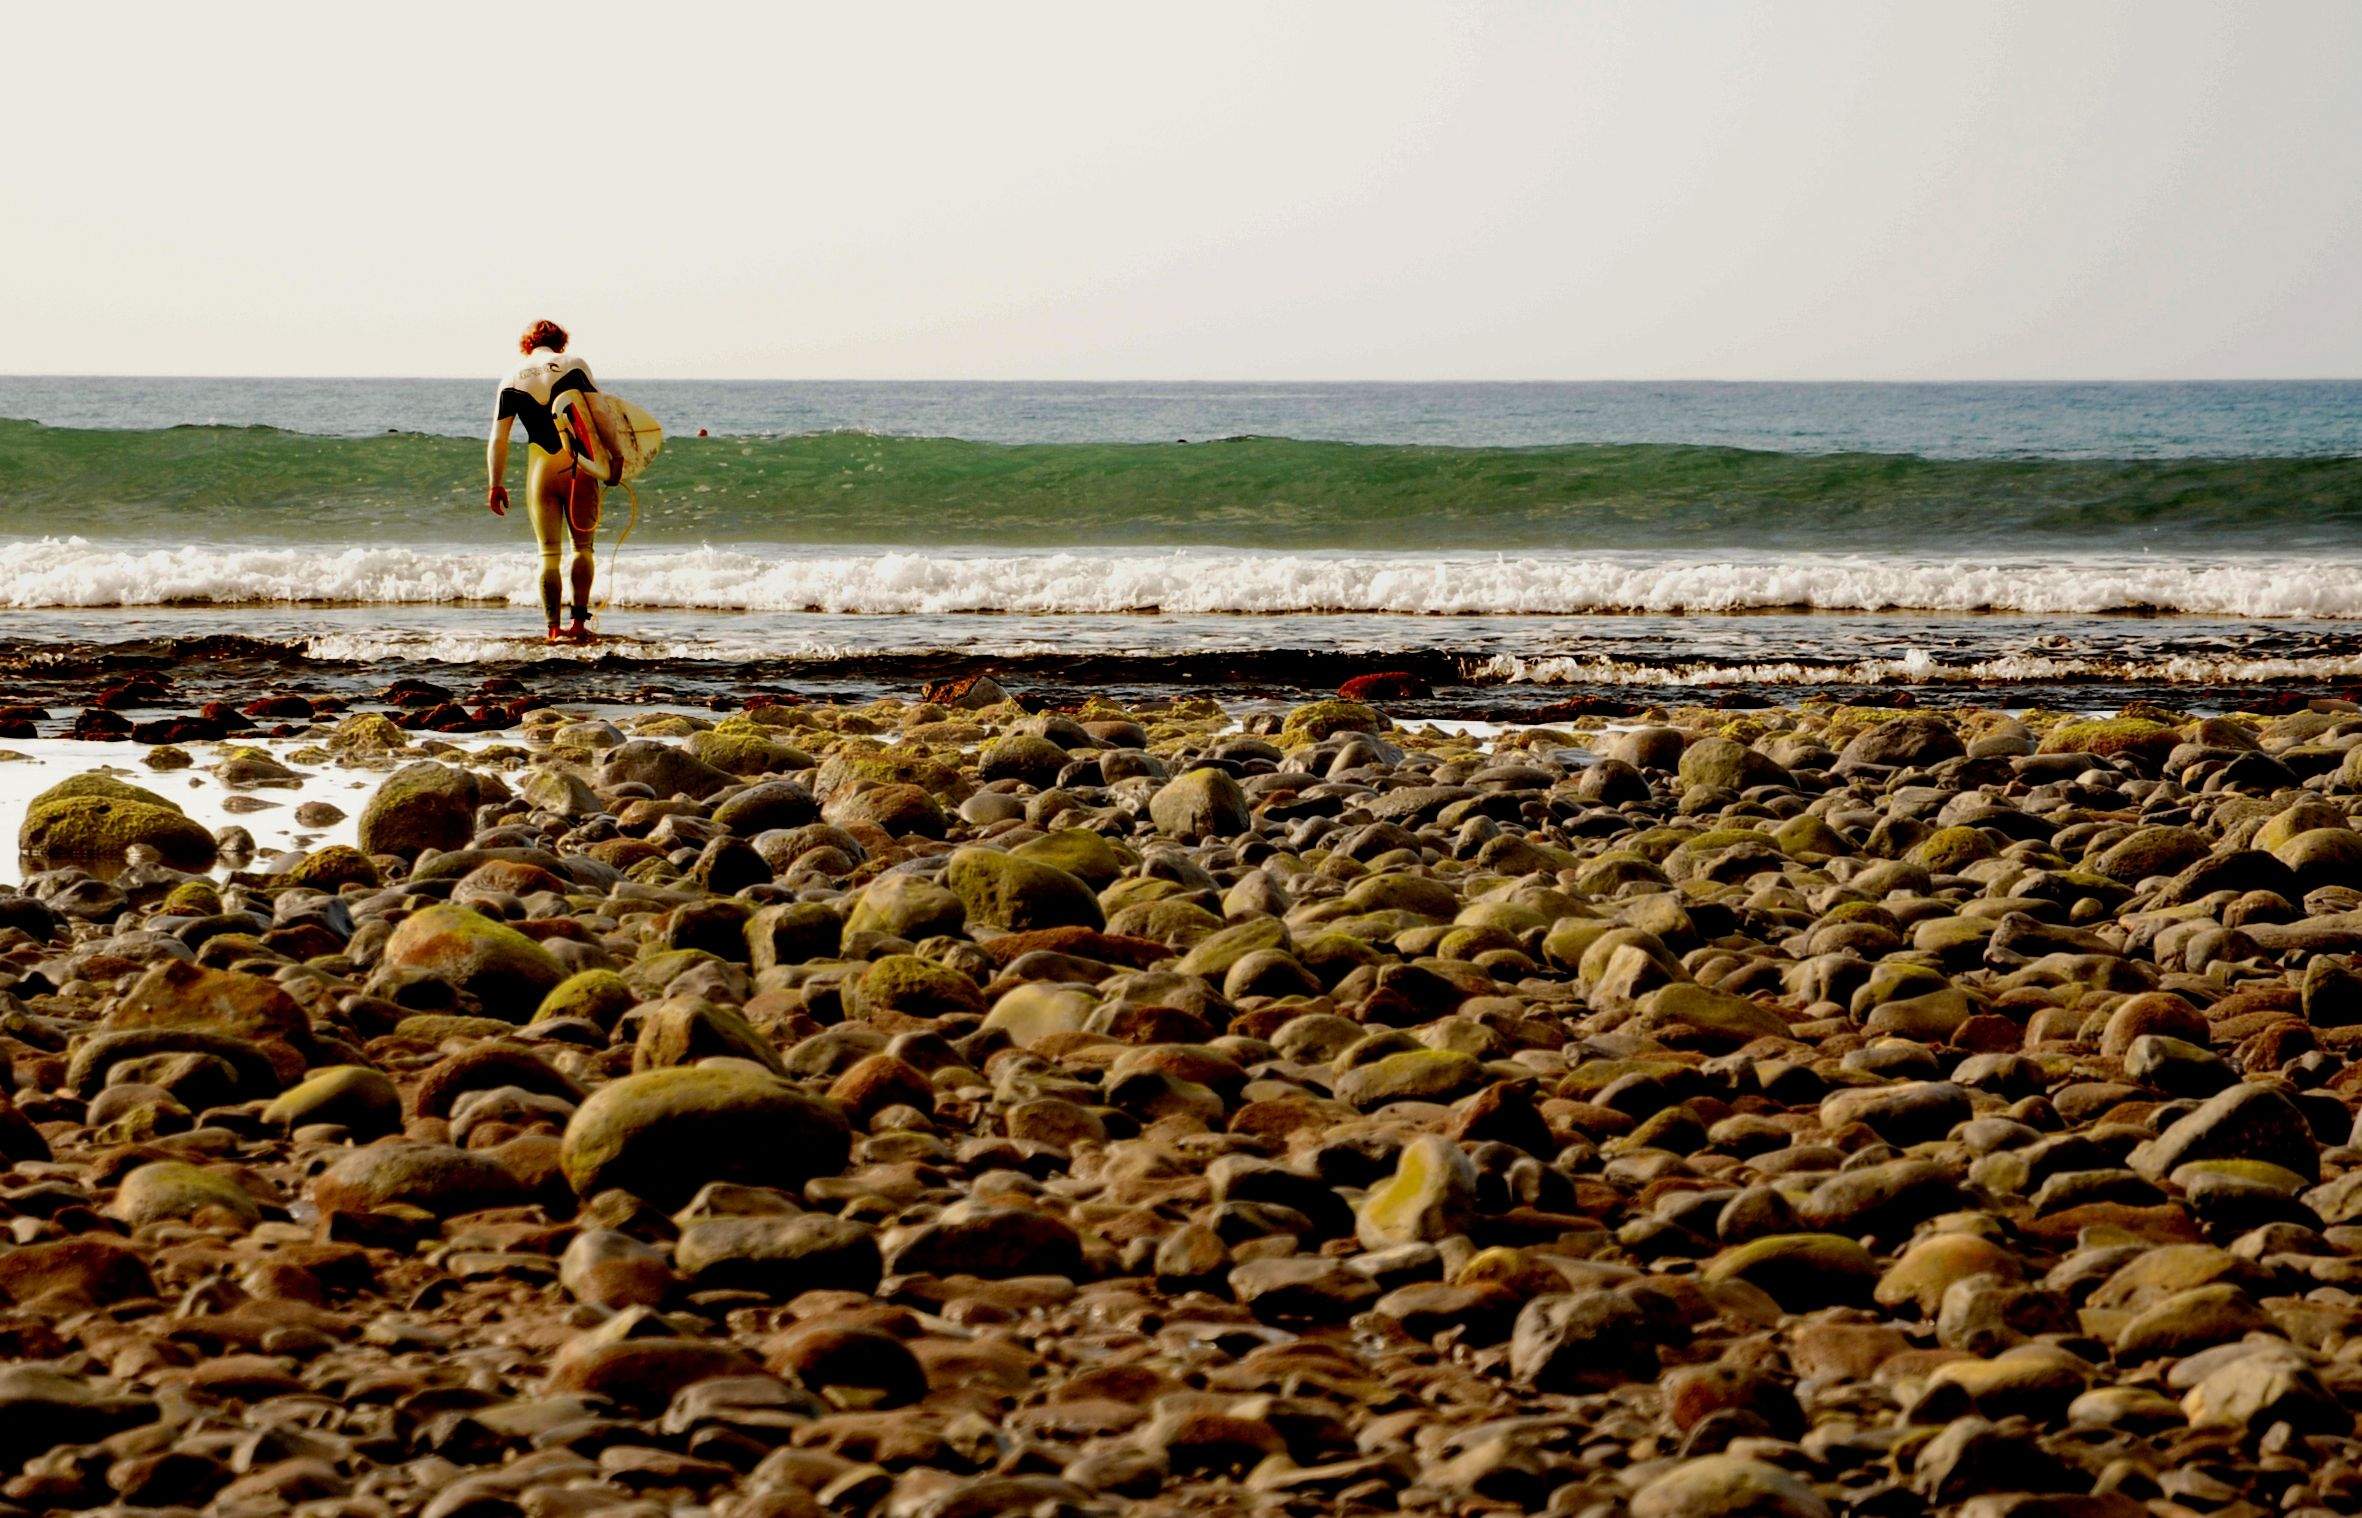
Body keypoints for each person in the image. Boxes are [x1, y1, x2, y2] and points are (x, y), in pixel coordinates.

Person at [485, 319, 615, 643]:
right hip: (579, 465)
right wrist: (617, 458)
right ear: (560, 342)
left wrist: (495, 483)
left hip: (540, 471)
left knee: (548, 554)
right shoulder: (573, 364)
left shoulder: (511, 378)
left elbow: (498, 438)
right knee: (583, 549)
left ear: (527, 344)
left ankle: (553, 630)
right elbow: (601, 414)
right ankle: (580, 625)